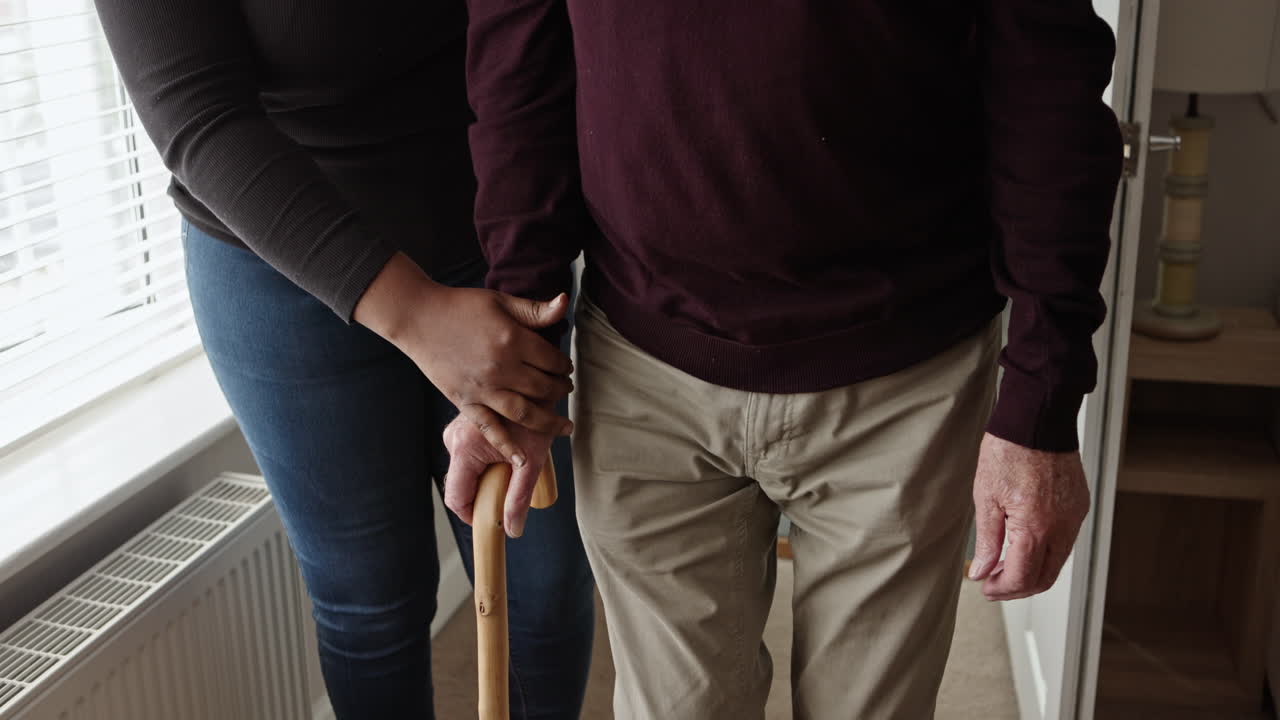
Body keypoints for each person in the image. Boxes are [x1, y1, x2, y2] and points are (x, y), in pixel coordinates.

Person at [444, 1, 1123, 718]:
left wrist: (1042, 399)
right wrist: (517, 373)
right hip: (646, 364)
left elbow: (1050, 90)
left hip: (905, 369)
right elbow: (520, 81)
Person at [92, 2, 595, 718]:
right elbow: (196, 114)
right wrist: (418, 317)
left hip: (494, 231)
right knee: (372, 604)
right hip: (280, 262)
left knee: (543, 584)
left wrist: (530, 256)